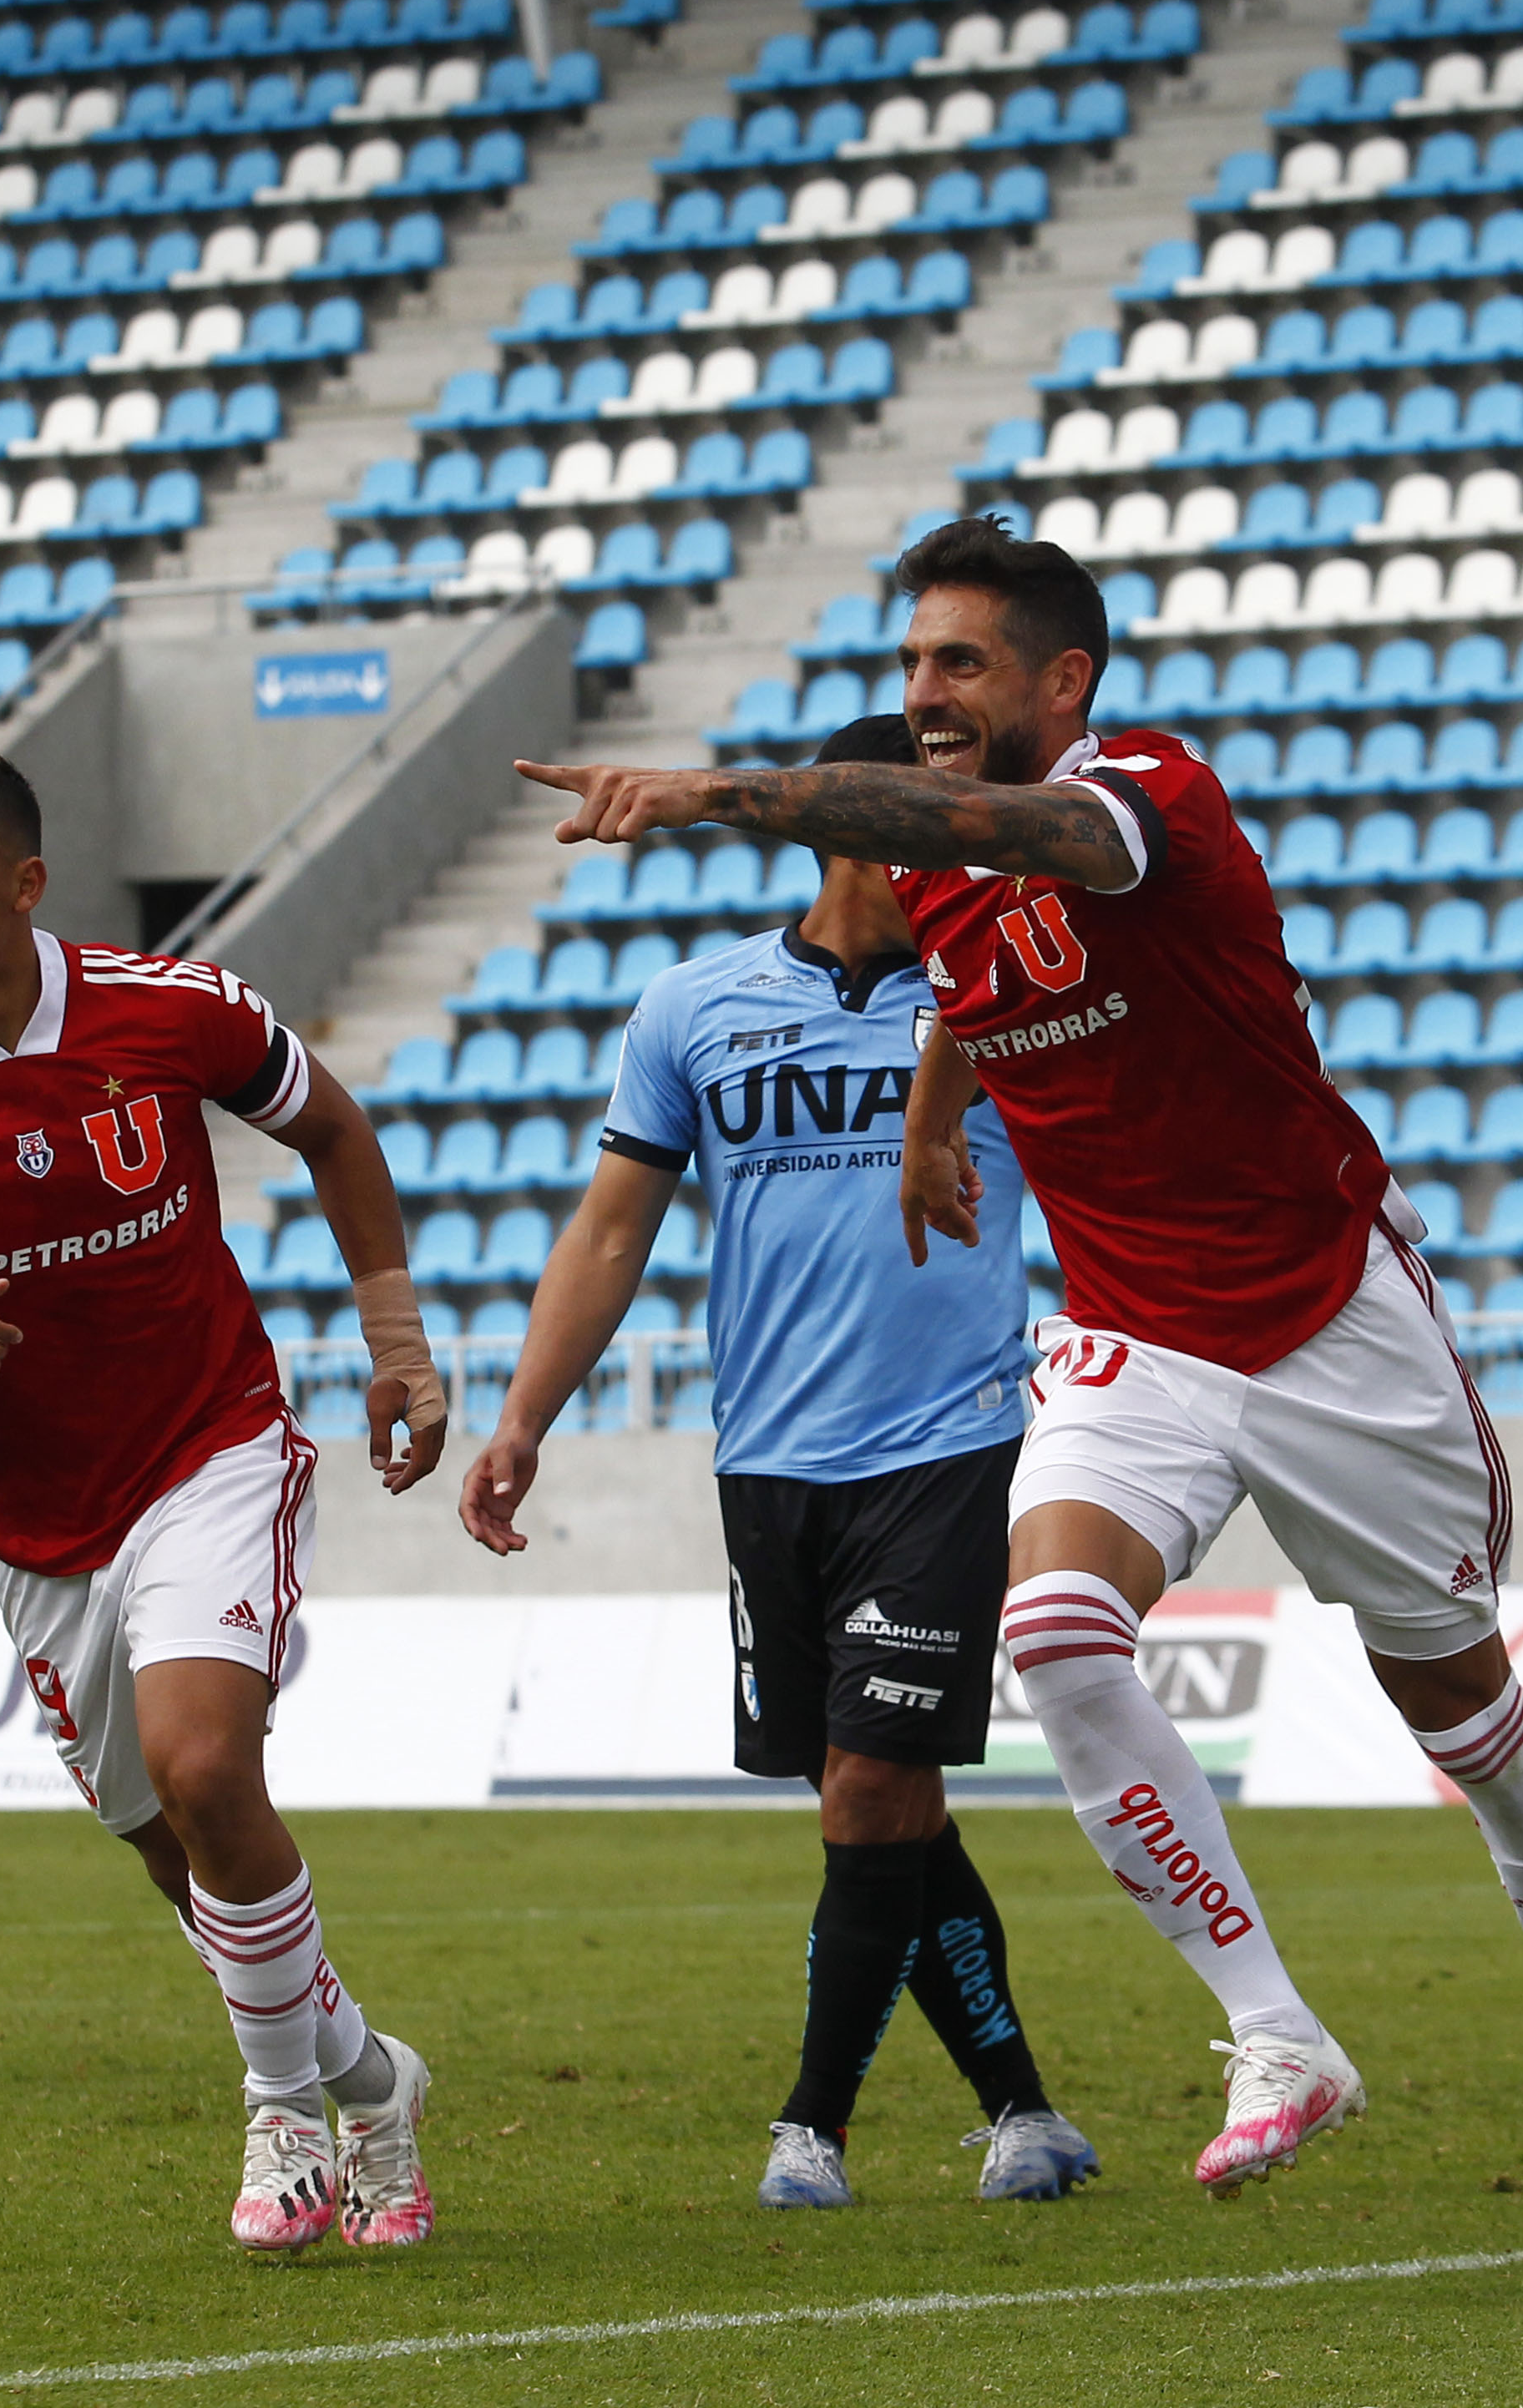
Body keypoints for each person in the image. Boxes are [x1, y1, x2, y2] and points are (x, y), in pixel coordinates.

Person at [511, 517, 1523, 2254]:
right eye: (911, 665)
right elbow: (970, 977)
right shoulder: (941, 862)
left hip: (1324, 1318)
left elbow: (1030, 850)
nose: (925, 694)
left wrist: (716, 793)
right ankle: (1277, 2031)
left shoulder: (1146, 794)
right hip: (1136, 1338)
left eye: (960, 663)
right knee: (1054, 1632)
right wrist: (929, 1116)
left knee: (1470, 1726)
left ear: (1064, 681)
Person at [0, 744, 451, 2253]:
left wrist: (396, 1343)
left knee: (206, 1767)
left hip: (210, 1443)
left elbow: (332, 1125)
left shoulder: (169, 1007)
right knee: (175, 1852)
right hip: (37, 1523)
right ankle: (373, 2083)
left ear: (25, 882)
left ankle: (281, 2113)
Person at [459, 712, 1094, 2214]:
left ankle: (813, 2126)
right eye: (938, 824)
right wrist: (524, 1416)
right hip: (767, 1461)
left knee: (868, 1790)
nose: (967, 852)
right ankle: (1024, 2111)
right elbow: (610, 1231)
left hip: (948, 1444)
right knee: (889, 1810)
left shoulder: (999, 999)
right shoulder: (693, 1006)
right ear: (859, 826)